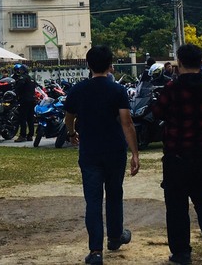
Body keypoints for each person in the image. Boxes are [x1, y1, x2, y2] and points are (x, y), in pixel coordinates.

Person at [151, 44, 202, 265]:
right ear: (199, 61)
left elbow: (156, 113)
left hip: (176, 155)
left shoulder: (171, 88)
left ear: (180, 62)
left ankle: (181, 253)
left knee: (176, 205)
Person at [63, 45, 139, 265]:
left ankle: (95, 251)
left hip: (90, 152)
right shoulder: (117, 90)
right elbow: (127, 123)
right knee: (115, 194)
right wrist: (135, 153)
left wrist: (71, 133)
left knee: (93, 201)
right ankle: (115, 237)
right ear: (110, 65)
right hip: (115, 151)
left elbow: (69, 116)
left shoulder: (78, 90)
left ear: (88, 65)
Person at [12, 63, 36, 142]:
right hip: (32, 100)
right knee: (30, 118)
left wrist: (16, 92)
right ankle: (30, 135)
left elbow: (18, 87)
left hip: (24, 100)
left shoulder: (22, 78)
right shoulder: (31, 78)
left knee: (22, 118)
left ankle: (22, 135)